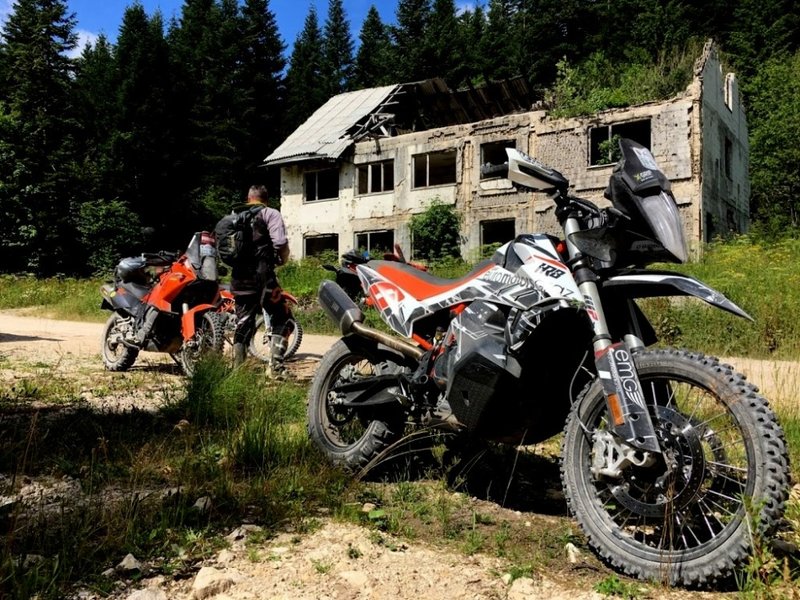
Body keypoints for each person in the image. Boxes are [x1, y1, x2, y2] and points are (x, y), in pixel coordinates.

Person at [230, 185, 291, 376]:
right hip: (262, 278)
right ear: (266, 200)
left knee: (243, 322)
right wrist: (283, 259)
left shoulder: (235, 215)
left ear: (248, 199)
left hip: (239, 279)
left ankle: (238, 373)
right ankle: (276, 369)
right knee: (284, 317)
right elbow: (280, 242)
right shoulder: (270, 213)